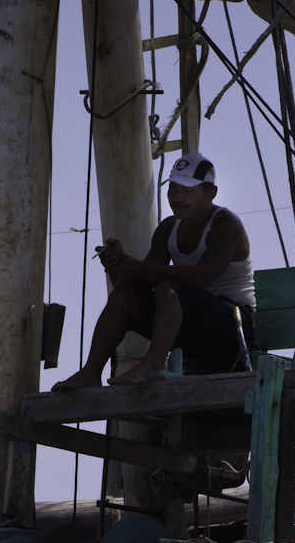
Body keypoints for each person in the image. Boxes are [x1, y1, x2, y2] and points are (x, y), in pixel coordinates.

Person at [52, 154, 254, 388]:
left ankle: (153, 364)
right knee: (125, 294)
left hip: (233, 327)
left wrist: (137, 268)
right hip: (190, 325)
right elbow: (144, 277)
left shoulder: (226, 224)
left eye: (187, 191)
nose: (177, 198)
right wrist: (120, 264)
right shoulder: (168, 227)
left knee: (169, 287)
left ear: (210, 194)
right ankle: (90, 372)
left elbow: (201, 277)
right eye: (173, 190)